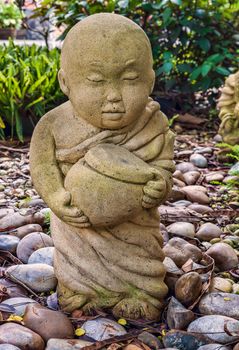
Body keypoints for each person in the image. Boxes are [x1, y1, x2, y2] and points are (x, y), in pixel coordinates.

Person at [30, 13, 175, 320]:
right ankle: (78, 290)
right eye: (96, 81)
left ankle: (141, 291)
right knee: (75, 262)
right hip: (77, 229)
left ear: (150, 80)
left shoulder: (153, 123)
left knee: (143, 261)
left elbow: (163, 168)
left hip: (134, 230)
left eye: (130, 79)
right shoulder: (54, 125)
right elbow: (41, 168)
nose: (113, 97)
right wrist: (56, 198)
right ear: (66, 83)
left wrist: (158, 185)